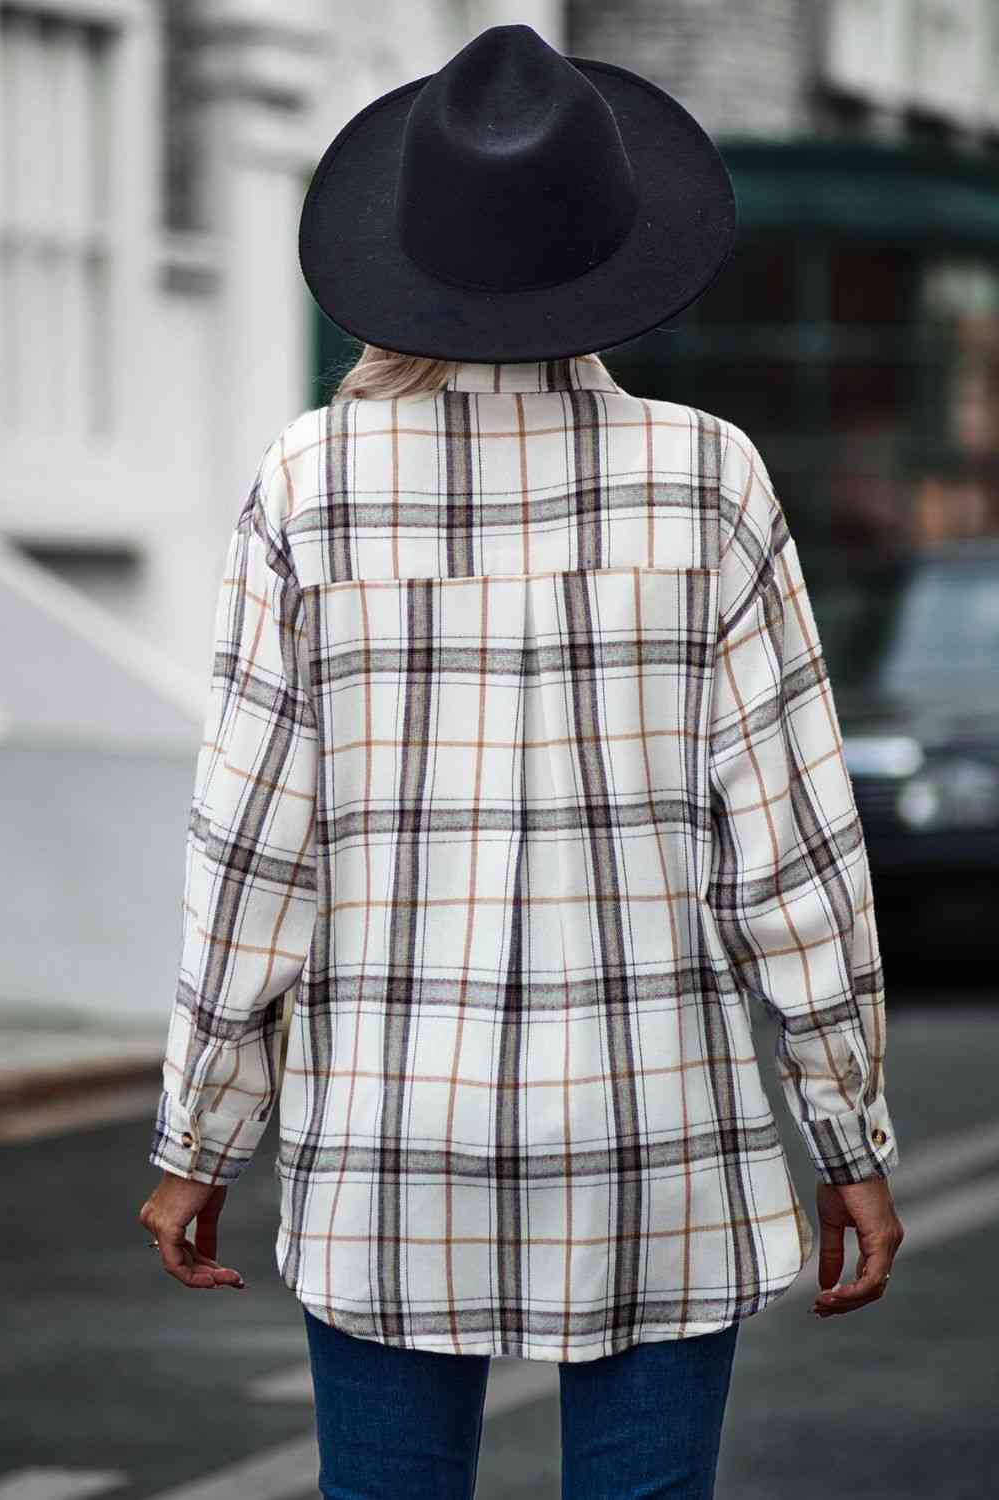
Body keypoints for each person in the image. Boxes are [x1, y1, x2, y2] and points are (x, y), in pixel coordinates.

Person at [137, 23, 905, 1500]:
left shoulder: (310, 486)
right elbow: (798, 857)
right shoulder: (709, 480)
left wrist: (200, 1139)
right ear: (609, 252)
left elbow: (252, 854)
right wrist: (848, 1134)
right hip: (654, 1138)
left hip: (388, 1145)